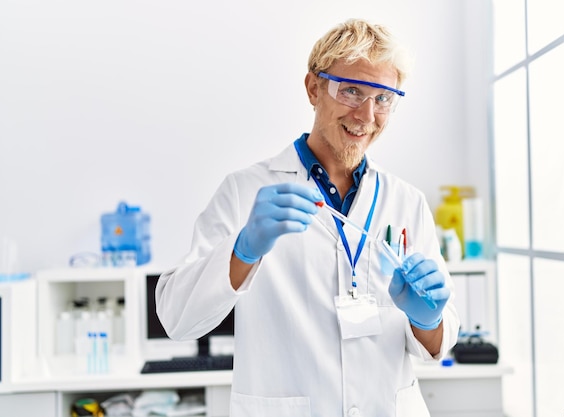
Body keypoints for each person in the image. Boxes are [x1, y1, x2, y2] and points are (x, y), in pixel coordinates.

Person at [156, 18, 459, 417]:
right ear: (314, 88)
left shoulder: (408, 201)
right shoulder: (243, 191)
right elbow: (177, 319)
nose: (367, 115)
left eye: (384, 98)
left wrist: (429, 318)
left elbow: (437, 344)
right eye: (351, 91)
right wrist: (242, 251)